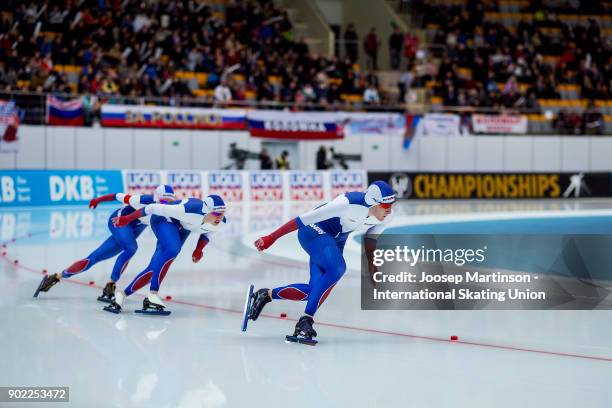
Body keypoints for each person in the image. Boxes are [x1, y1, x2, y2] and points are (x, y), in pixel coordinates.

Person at [244, 181, 396, 342]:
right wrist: (271, 237)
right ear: (374, 202)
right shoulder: (346, 203)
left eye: (392, 205)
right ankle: (306, 320)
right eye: (386, 206)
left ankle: (265, 295)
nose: (390, 210)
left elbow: (371, 238)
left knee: (313, 292)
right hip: (312, 230)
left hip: (335, 240)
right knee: (338, 268)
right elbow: (303, 219)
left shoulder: (388, 217)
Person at [33, 185, 177, 301]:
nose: (166, 206)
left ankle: (57, 276)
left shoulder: (169, 209)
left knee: (95, 257)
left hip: (134, 227)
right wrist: (98, 200)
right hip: (119, 221)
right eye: (163, 202)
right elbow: (116, 195)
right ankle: (111, 284)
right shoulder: (140, 200)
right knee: (131, 248)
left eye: (170, 202)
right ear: (156, 199)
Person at [103, 195, 227, 314]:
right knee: (173, 249)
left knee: (155, 268)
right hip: (163, 218)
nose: (220, 217)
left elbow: (208, 233)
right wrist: (127, 219)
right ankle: (152, 294)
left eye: (222, 213)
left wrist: (199, 249)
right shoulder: (187, 209)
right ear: (206, 210)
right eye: (216, 213)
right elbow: (151, 207)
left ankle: (122, 295)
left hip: (183, 227)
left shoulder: (221, 222)